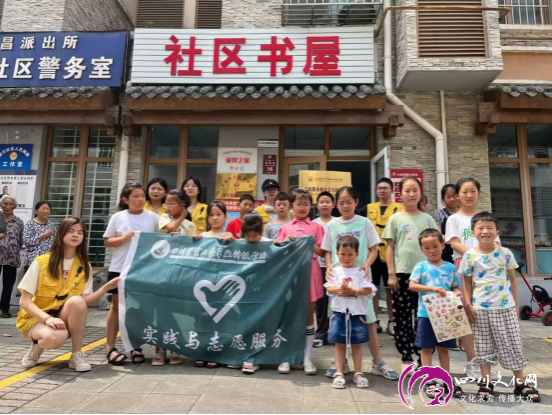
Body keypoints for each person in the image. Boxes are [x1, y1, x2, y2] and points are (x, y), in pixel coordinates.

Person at [17, 217, 120, 371]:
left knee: (77, 301)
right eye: (71, 231)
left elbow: (84, 302)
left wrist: (105, 288)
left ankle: (76, 355)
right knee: (55, 338)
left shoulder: (84, 266)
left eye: (80, 232)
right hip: (35, 319)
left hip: (61, 318)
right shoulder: (41, 262)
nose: (75, 235)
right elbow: (24, 301)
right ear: (61, 234)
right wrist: (47, 319)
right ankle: (37, 346)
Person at [459, 213, 540, 403]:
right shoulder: (469, 256)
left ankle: (520, 383)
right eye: (480, 228)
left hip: (505, 308)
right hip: (480, 309)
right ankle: (486, 382)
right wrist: (468, 304)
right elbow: (467, 282)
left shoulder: (505, 253)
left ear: (496, 232)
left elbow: (513, 279)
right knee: (483, 346)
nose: (485, 231)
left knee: (512, 344)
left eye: (489, 228)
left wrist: (515, 304)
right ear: (473, 232)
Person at [322, 187, 399, 381]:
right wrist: (329, 266)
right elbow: (327, 250)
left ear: (356, 202)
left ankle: (378, 362)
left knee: (369, 320)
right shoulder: (332, 225)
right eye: (341, 202)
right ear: (336, 204)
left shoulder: (364, 223)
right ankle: (340, 363)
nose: (345, 206)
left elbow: (374, 249)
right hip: (339, 280)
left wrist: (366, 264)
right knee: (338, 321)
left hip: (360, 279)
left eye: (349, 202)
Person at [382, 177, 437, 375]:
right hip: (403, 274)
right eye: (407, 190)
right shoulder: (395, 219)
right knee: (402, 316)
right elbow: (389, 247)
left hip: (426, 276)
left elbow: (436, 246)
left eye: (415, 190)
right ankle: (406, 356)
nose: (411, 194)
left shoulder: (428, 219)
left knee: (424, 317)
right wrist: (391, 274)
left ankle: (423, 357)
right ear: (400, 194)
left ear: (420, 193)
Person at [445, 178, 499, 379]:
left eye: (473, 191)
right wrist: (476, 256)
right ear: (457, 195)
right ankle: (472, 362)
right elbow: (454, 243)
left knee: (486, 315)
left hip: (487, 271)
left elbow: (496, 243)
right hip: (464, 268)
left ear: (479, 194)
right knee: (467, 315)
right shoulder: (454, 219)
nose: (469, 195)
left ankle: (487, 362)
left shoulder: (486, 218)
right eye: (465, 191)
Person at [104, 183, 159, 366]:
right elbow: (108, 242)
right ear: (126, 200)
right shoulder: (118, 217)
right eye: (136, 196)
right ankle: (110, 347)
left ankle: (135, 347)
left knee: (138, 309)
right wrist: (122, 238)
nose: (141, 199)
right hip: (119, 268)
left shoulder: (153, 217)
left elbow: (159, 242)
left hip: (142, 270)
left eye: (142, 195)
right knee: (116, 307)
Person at [409, 229, 464, 399]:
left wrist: (457, 293)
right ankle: (429, 380)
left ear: (442, 245)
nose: (432, 251)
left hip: (445, 314)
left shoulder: (450, 267)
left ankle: (445, 378)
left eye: (435, 246)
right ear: (421, 249)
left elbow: (455, 286)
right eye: (427, 248)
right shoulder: (421, 266)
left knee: (443, 348)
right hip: (426, 314)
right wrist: (432, 288)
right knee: (426, 348)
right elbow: (412, 285)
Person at [276, 189, 325, 376]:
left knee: (308, 315)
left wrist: (312, 244)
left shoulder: (317, 227)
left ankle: (307, 357)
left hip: (310, 272)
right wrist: (286, 243)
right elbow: (277, 250)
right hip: (291, 274)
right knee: (289, 314)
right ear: (292, 206)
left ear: (311, 206)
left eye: (306, 204)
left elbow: (323, 252)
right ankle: (286, 356)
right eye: (298, 204)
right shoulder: (286, 228)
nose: (302, 207)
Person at [325, 236, 377, 390]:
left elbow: (369, 289)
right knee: (339, 343)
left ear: (356, 254)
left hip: (357, 314)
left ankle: (358, 372)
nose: (346, 258)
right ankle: (339, 372)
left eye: (350, 254)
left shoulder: (361, 271)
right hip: (339, 313)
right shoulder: (335, 271)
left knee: (357, 344)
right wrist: (340, 289)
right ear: (337, 254)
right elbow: (329, 288)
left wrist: (354, 291)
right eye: (342, 254)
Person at [194, 201, 234, 370]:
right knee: (201, 319)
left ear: (226, 217)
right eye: (212, 215)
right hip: (203, 285)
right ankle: (201, 351)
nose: (215, 218)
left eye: (219, 214)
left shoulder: (229, 236)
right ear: (207, 218)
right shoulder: (202, 236)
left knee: (219, 320)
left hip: (221, 286)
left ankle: (217, 352)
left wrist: (231, 241)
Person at [232, 213, 272, 374]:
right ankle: (243, 356)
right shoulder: (240, 244)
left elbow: (282, 248)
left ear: (260, 232)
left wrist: (286, 242)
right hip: (244, 291)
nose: (251, 239)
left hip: (263, 291)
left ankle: (253, 358)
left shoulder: (268, 244)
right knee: (244, 323)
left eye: (255, 236)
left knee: (258, 324)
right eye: (248, 236)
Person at [364, 178, 404, 336]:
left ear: (392, 191)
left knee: (390, 289)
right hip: (372, 255)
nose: (382, 190)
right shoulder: (368, 208)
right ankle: (374, 320)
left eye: (385, 188)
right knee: (372, 289)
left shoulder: (399, 209)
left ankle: (392, 321)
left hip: (391, 255)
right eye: (379, 188)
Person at [313, 191, 337, 348]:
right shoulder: (313, 224)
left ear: (333, 205)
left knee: (335, 301)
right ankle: (321, 333)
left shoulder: (338, 222)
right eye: (321, 202)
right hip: (319, 266)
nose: (324, 205)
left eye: (328, 202)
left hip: (336, 267)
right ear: (317, 205)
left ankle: (336, 332)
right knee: (321, 302)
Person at [0, 196, 24, 319]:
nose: (8, 206)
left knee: (8, 284)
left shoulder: (19, 222)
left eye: (10, 204)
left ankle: (5, 308)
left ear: (14, 206)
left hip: (12, 257)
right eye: (5, 203)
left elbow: (21, 239)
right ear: (1, 205)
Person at [24, 201, 58, 272]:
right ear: (36, 211)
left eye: (48, 209)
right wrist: (42, 236)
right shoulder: (30, 224)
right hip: (33, 261)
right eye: (43, 208)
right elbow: (26, 241)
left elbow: (56, 241)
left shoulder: (51, 225)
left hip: (48, 261)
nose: (46, 211)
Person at [432, 184, 458, 264]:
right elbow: (438, 234)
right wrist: (456, 241)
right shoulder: (438, 213)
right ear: (443, 198)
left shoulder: (463, 213)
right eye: (448, 197)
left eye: (454, 196)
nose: (452, 199)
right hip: (445, 253)